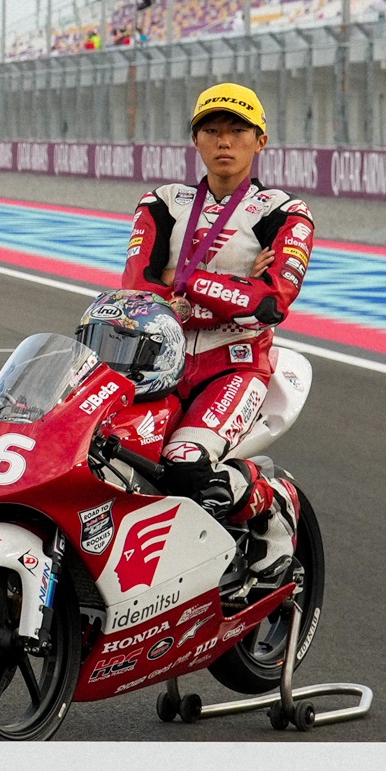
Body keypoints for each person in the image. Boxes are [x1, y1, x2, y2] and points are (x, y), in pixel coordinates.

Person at [118, 83, 312, 578]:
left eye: (237, 131)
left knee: (185, 464)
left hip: (234, 367)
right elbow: (138, 287)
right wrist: (233, 288)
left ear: (260, 140)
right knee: (110, 456)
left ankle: (273, 504)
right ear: (195, 140)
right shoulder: (163, 201)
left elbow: (270, 304)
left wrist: (182, 281)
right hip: (156, 363)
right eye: (211, 130)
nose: (224, 141)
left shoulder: (284, 212)